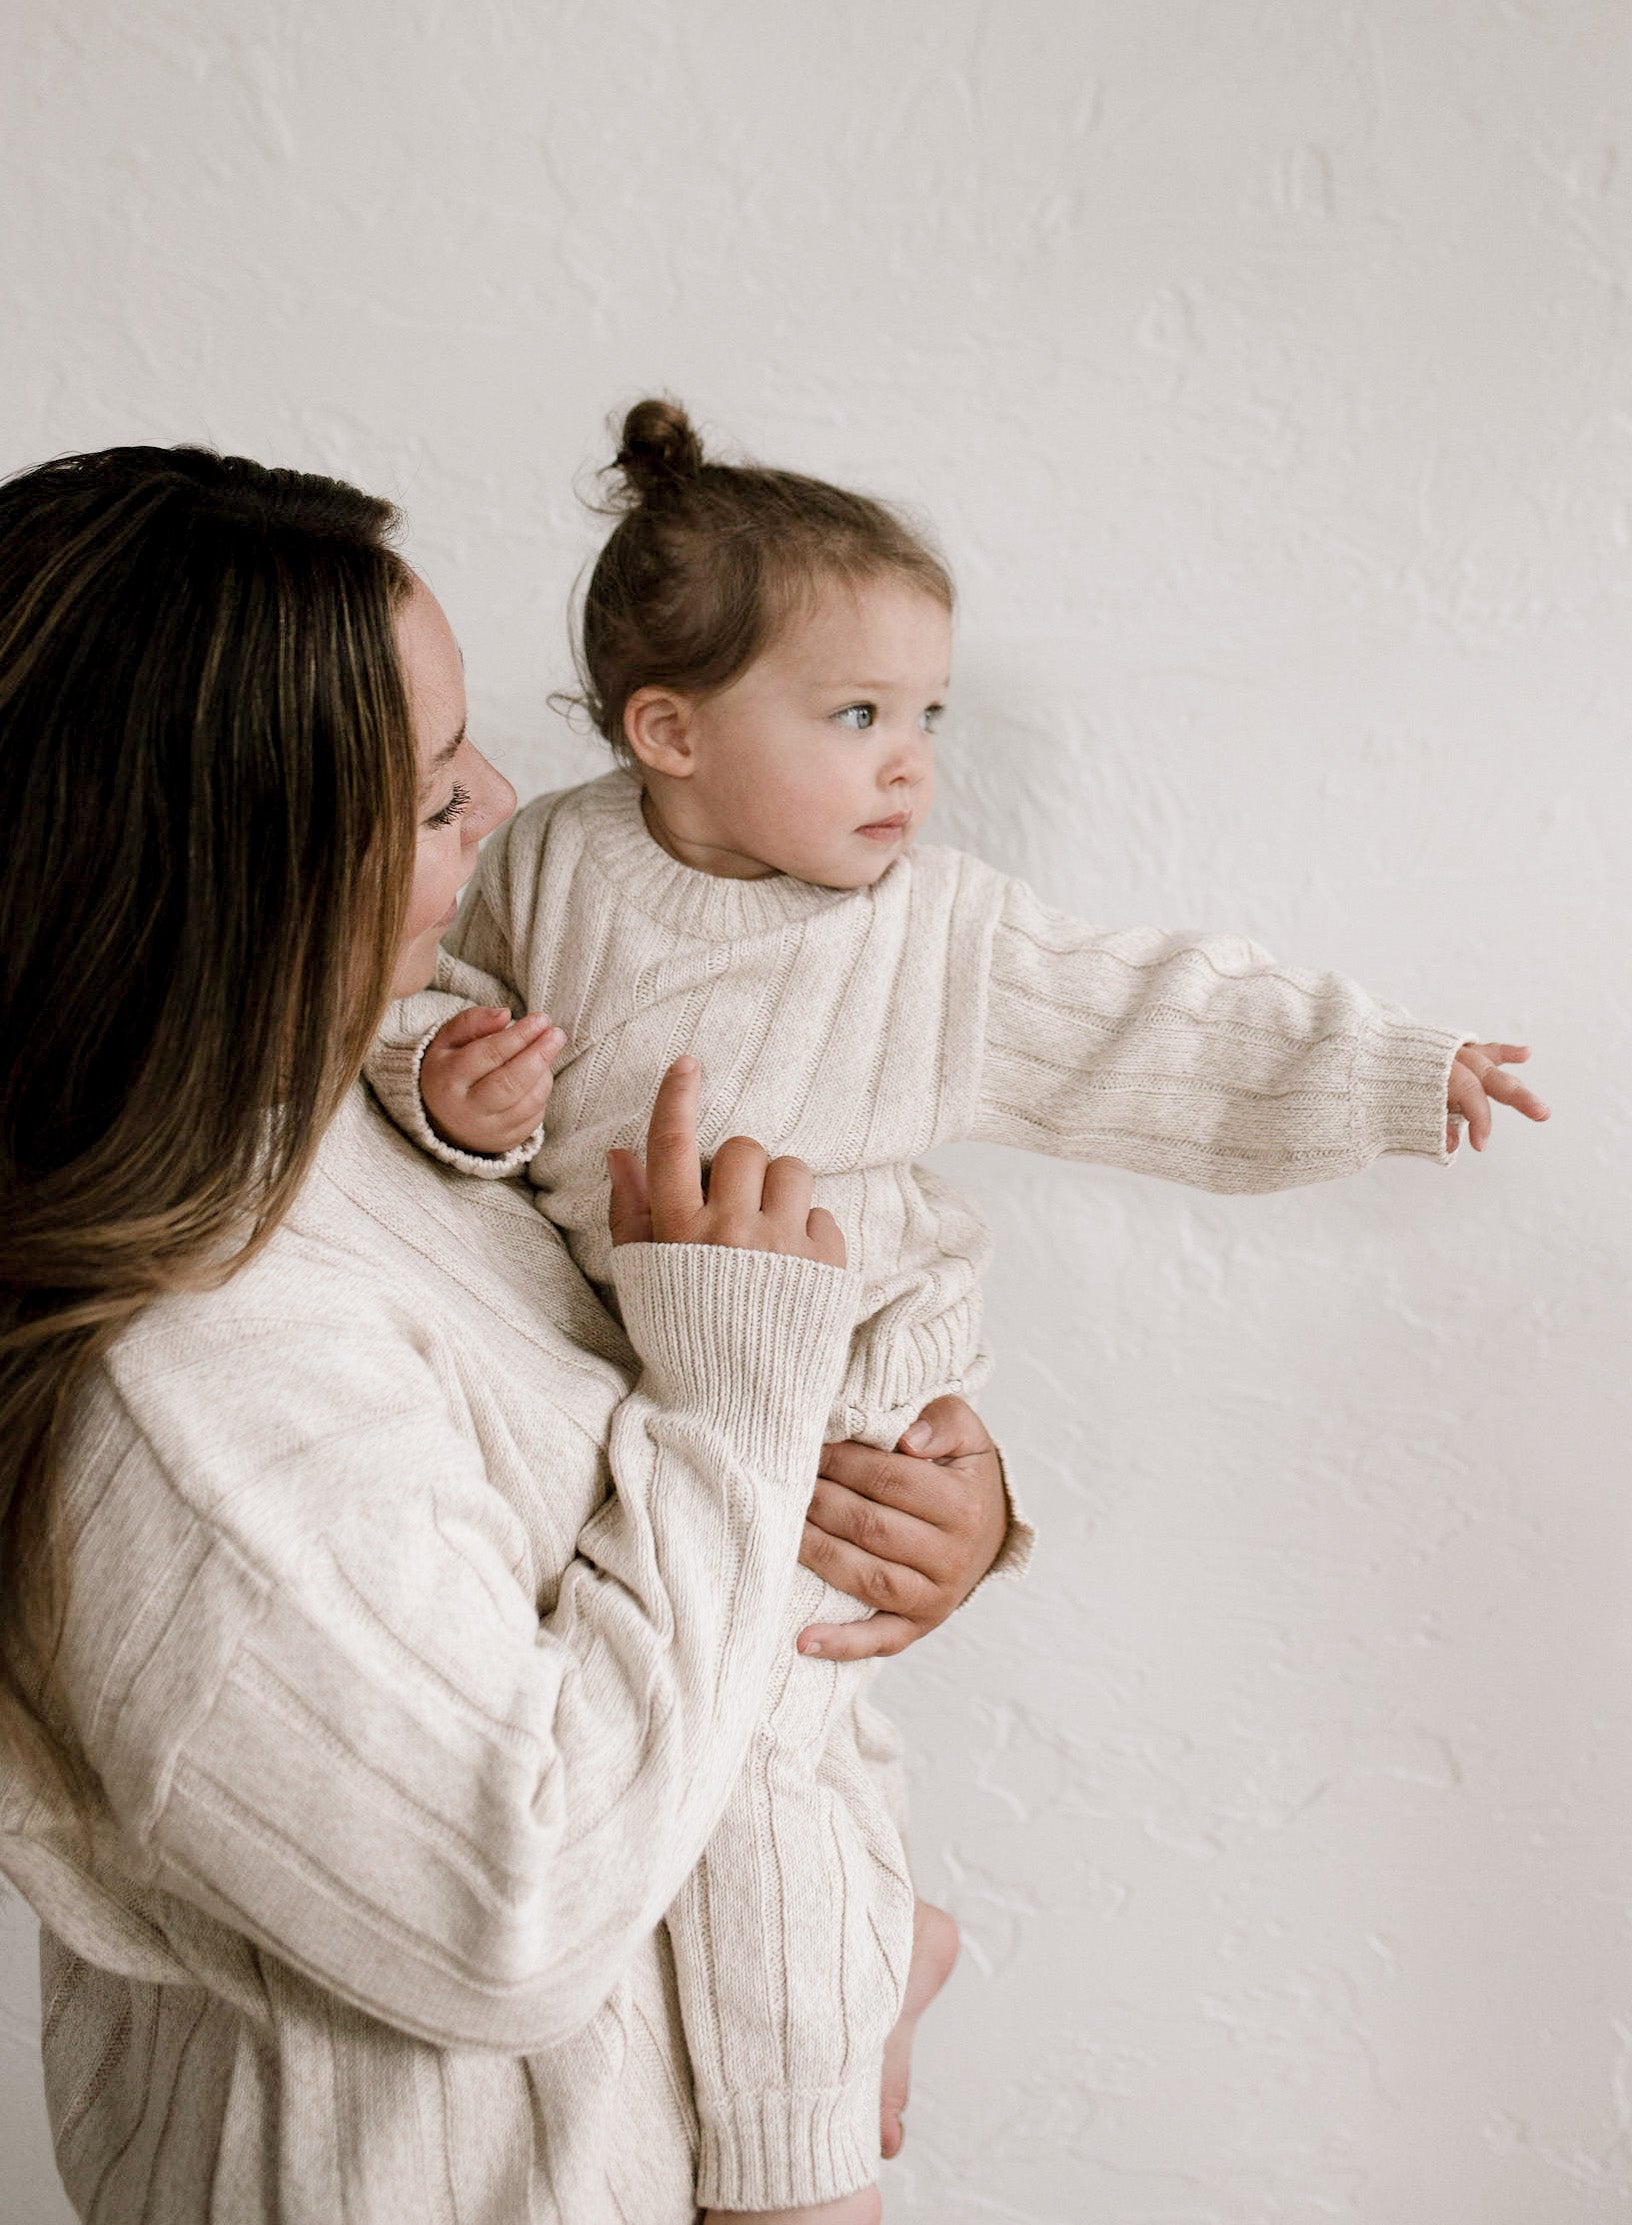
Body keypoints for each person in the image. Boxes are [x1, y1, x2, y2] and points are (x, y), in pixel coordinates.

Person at [367, 398, 1552, 2225]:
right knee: (686, 1767)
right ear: (668, 732)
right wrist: (453, 1085)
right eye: (856, 716)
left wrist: (1395, 1071)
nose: (912, 764)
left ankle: (798, 2180)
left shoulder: (935, 935)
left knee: (751, 1775)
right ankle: (879, 1935)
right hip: (640, 1379)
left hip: (851, 1369)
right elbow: (422, 999)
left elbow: (1145, 1016)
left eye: (928, 716)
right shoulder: (553, 868)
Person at [0, 444, 1015, 2225]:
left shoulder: (374, 1117)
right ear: (224, 861)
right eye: (428, 785)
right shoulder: (184, 1384)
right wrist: (744, 1392)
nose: (503, 801)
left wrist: (930, 1494)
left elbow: (615, 1476)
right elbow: (515, 1907)